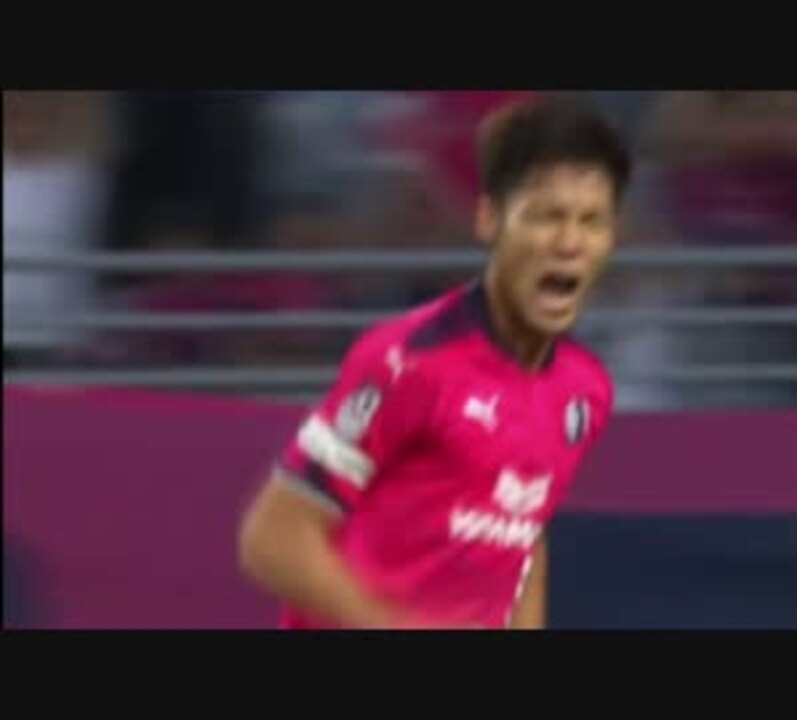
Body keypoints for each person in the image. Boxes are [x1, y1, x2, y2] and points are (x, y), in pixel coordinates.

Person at [237, 97, 632, 630]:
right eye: (546, 217)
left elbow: (522, 538)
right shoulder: (410, 361)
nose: (569, 243)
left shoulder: (585, 393)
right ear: (489, 220)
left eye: (591, 222)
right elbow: (273, 537)